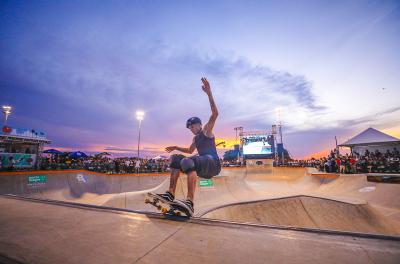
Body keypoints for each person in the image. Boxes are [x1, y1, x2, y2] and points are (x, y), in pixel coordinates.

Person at [154, 77, 221, 216]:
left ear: (199, 124)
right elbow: (190, 150)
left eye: (192, 126)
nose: (191, 128)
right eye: (189, 127)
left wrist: (209, 93)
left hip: (213, 164)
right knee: (175, 159)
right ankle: (170, 194)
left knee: (187, 160)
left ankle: (190, 202)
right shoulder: (195, 139)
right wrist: (176, 147)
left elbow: (215, 114)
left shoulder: (206, 131)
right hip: (203, 166)